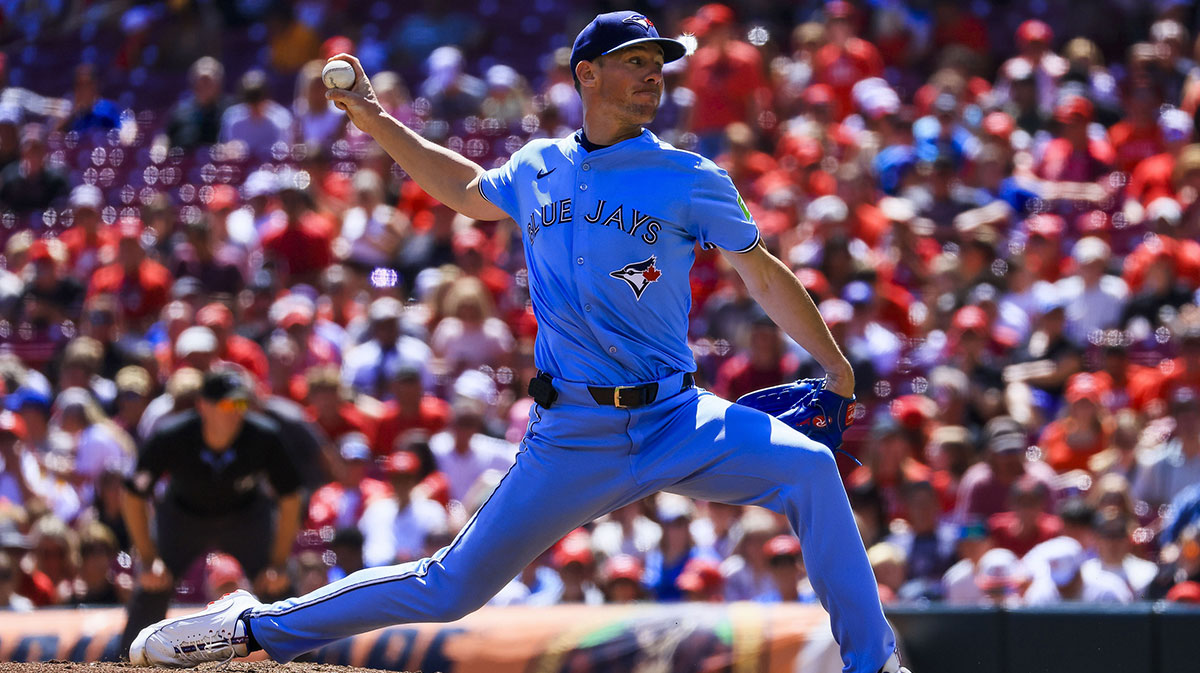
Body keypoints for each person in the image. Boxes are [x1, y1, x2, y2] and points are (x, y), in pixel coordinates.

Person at [129, 11, 906, 673]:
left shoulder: (688, 175)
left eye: (658, 65)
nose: (652, 77)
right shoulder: (540, 166)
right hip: (574, 432)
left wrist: (835, 368)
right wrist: (372, 117)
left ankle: (874, 663)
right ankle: (251, 625)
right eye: (633, 63)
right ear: (586, 75)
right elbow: (464, 189)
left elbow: (763, 275)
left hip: (677, 418)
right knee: (449, 588)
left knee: (809, 467)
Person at [119, 368, 302, 653]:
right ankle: (127, 658)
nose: (235, 412)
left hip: (246, 517)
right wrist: (149, 558)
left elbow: (290, 498)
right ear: (203, 405)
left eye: (241, 403)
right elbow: (133, 495)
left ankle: (306, 662)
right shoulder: (173, 435)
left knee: (278, 585)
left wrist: (277, 563)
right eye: (227, 404)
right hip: (183, 518)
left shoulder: (263, 436)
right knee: (153, 583)